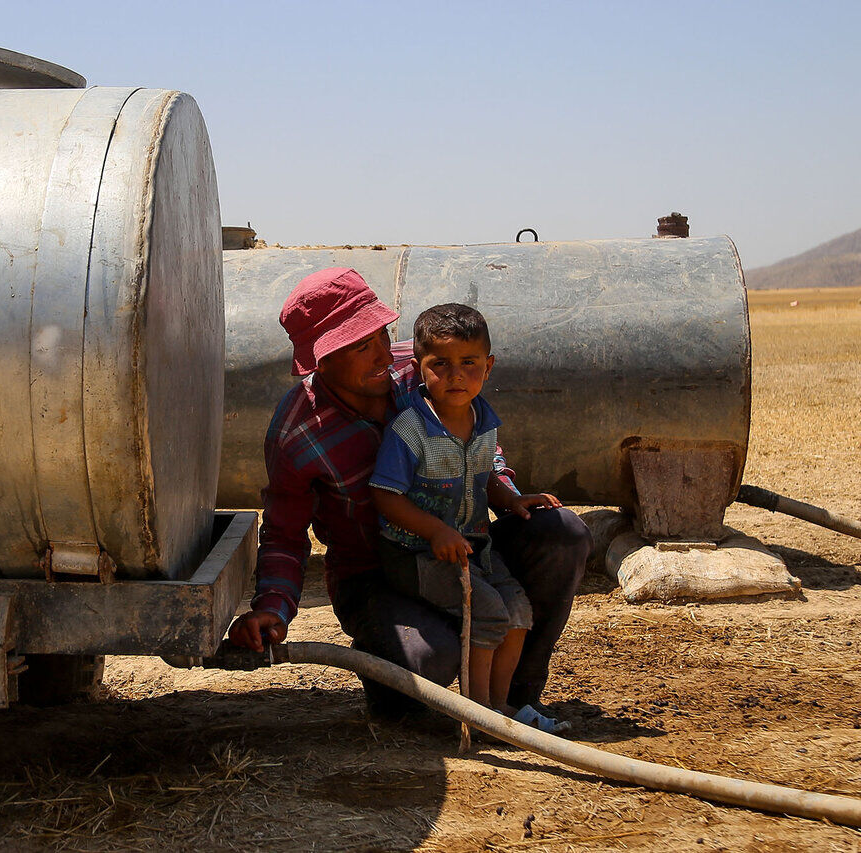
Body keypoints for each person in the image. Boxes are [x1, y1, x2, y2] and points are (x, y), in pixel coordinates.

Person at [227, 267, 590, 724]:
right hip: (378, 573)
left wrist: (507, 493)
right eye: (361, 346)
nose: (382, 353)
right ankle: (395, 670)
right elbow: (285, 535)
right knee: (425, 661)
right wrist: (273, 609)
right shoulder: (297, 432)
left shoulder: (423, 367)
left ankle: (512, 702)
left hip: (462, 549)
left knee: (561, 533)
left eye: (381, 334)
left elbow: (479, 444)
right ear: (324, 360)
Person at [369, 303, 569, 733]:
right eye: (440, 364)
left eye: (469, 363)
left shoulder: (483, 422)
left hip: (474, 546)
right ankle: (475, 713)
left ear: (488, 366)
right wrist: (436, 530)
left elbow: (484, 475)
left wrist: (511, 499)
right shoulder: (410, 429)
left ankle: (502, 708)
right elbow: (385, 496)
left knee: (518, 612)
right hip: (416, 553)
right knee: (490, 613)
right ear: (418, 368)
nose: (455, 375)